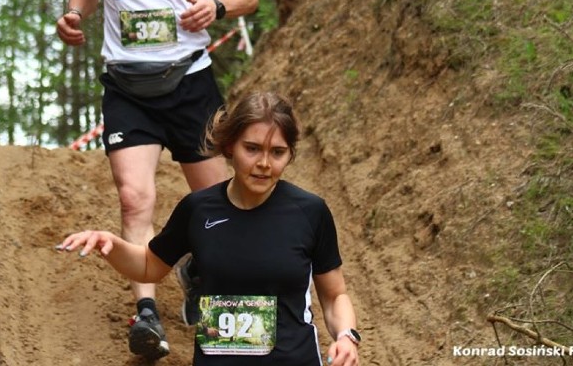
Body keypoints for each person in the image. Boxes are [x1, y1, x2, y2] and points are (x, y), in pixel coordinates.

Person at [55, 0, 259, 360]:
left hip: (190, 84)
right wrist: (74, 16)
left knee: (220, 205)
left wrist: (215, 5)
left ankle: (208, 287)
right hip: (127, 90)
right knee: (134, 198)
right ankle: (146, 314)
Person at [57, 91, 362, 366]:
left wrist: (347, 335)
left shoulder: (309, 211)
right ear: (230, 147)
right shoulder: (198, 209)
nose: (264, 163)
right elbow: (149, 267)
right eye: (252, 149)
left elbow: (335, 296)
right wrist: (109, 244)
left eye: (277, 152)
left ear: (289, 154)